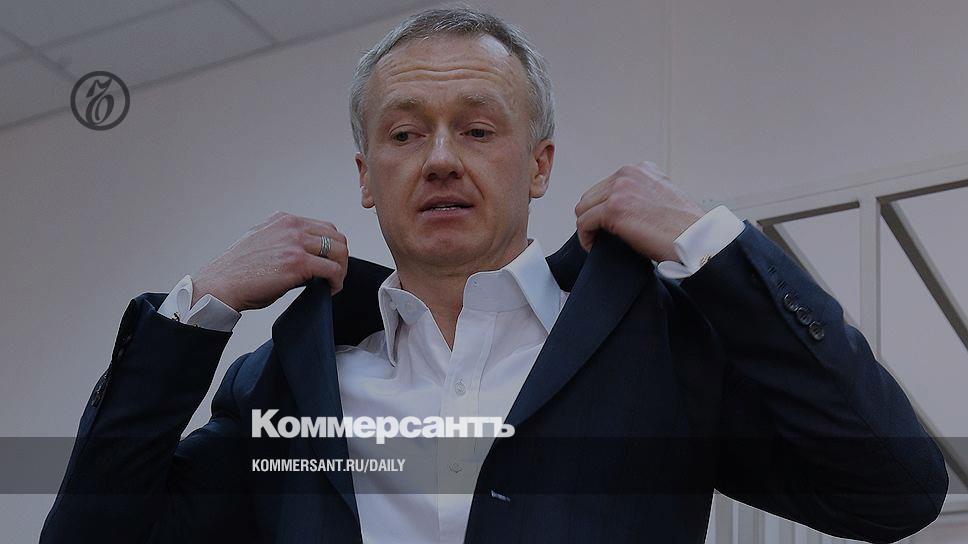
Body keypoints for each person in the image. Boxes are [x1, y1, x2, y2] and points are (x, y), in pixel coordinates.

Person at [41, 7, 947, 544]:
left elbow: (894, 490)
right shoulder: (286, 383)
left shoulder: (656, 352)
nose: (440, 159)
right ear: (366, 176)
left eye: (478, 130)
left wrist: (714, 243)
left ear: (538, 165)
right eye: (404, 134)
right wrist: (193, 310)